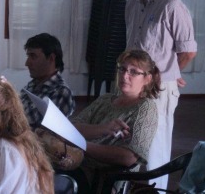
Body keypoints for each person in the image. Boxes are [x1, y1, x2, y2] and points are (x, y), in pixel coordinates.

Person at [125, 0, 197, 189]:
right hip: (131, 83)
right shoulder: (133, 3)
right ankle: (124, 185)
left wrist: (169, 73)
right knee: (128, 137)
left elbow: (188, 50)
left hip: (158, 88)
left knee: (156, 145)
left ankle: (157, 190)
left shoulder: (172, 6)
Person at [67, 50, 160, 193]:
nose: (124, 75)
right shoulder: (105, 99)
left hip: (103, 179)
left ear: (147, 79)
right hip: (77, 164)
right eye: (122, 69)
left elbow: (128, 157)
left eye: (133, 72)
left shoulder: (145, 108)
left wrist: (83, 145)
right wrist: (102, 129)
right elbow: (71, 127)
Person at [19, 33, 75, 129]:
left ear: (51, 58)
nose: (27, 63)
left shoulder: (61, 92)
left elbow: (40, 130)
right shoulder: (33, 84)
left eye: (33, 56)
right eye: (28, 56)